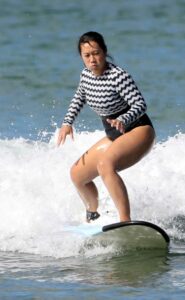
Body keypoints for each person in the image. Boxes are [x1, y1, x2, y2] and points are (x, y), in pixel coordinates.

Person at [57, 31, 155, 223]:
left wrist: (124, 119)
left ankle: (125, 221)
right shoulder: (85, 75)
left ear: (104, 52)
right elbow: (79, 97)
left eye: (96, 53)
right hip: (114, 134)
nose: (92, 59)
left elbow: (140, 105)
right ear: (81, 57)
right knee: (77, 175)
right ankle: (92, 215)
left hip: (138, 129)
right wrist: (67, 123)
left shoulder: (118, 76)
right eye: (87, 55)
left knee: (105, 165)